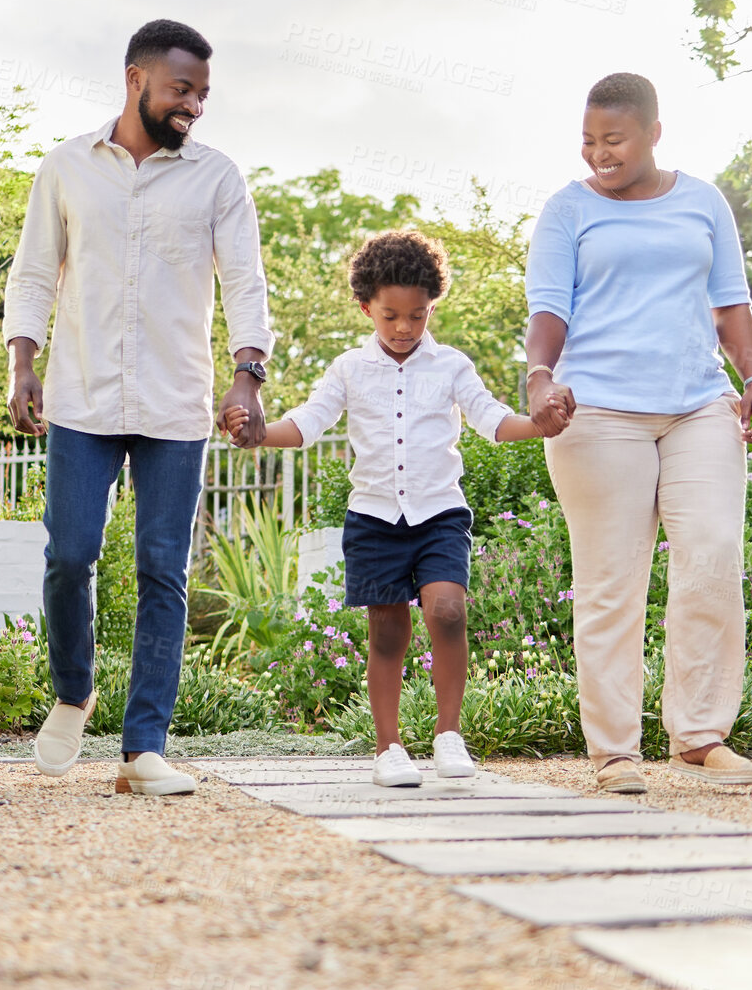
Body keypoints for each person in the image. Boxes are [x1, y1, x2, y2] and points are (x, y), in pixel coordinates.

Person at [1, 19, 273, 796]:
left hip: (175, 403)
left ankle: (142, 748)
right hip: (81, 395)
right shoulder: (65, 168)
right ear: (135, 80)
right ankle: (73, 689)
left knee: (164, 570)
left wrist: (246, 373)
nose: (193, 105)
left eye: (203, 94)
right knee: (69, 554)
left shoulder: (218, 179)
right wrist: (22, 360)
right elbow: (31, 273)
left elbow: (245, 283)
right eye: (181, 89)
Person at [226, 230, 562, 786]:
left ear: (432, 308)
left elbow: (493, 419)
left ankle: (449, 737)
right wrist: (258, 434)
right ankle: (389, 750)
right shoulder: (348, 369)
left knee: (448, 611)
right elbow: (307, 424)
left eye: (418, 316)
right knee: (386, 631)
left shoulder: (451, 365)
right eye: (390, 317)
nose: (404, 328)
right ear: (366, 308)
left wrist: (542, 423)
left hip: (439, 514)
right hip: (375, 518)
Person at [524, 72, 752, 794]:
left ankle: (699, 734)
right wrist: (540, 377)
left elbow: (731, 304)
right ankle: (615, 750)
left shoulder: (701, 201)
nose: (597, 153)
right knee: (610, 578)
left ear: (652, 133)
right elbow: (548, 309)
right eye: (587, 140)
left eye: (614, 139)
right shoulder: (567, 210)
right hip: (595, 409)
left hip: (698, 401)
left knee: (712, 554)